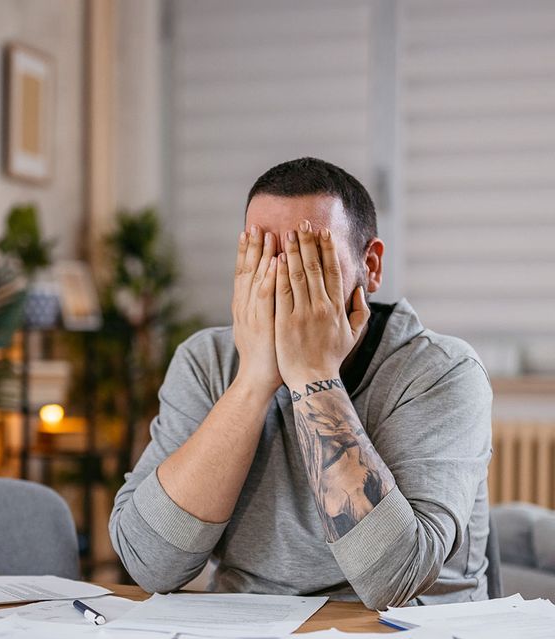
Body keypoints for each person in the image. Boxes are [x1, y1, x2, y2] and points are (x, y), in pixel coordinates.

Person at [109, 157, 493, 610]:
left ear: (370, 266)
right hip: (246, 637)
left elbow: (395, 580)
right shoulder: (206, 361)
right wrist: (252, 382)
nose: (283, 284)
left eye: (309, 260)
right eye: (265, 260)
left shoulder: (441, 370)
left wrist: (313, 376)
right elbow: (149, 565)